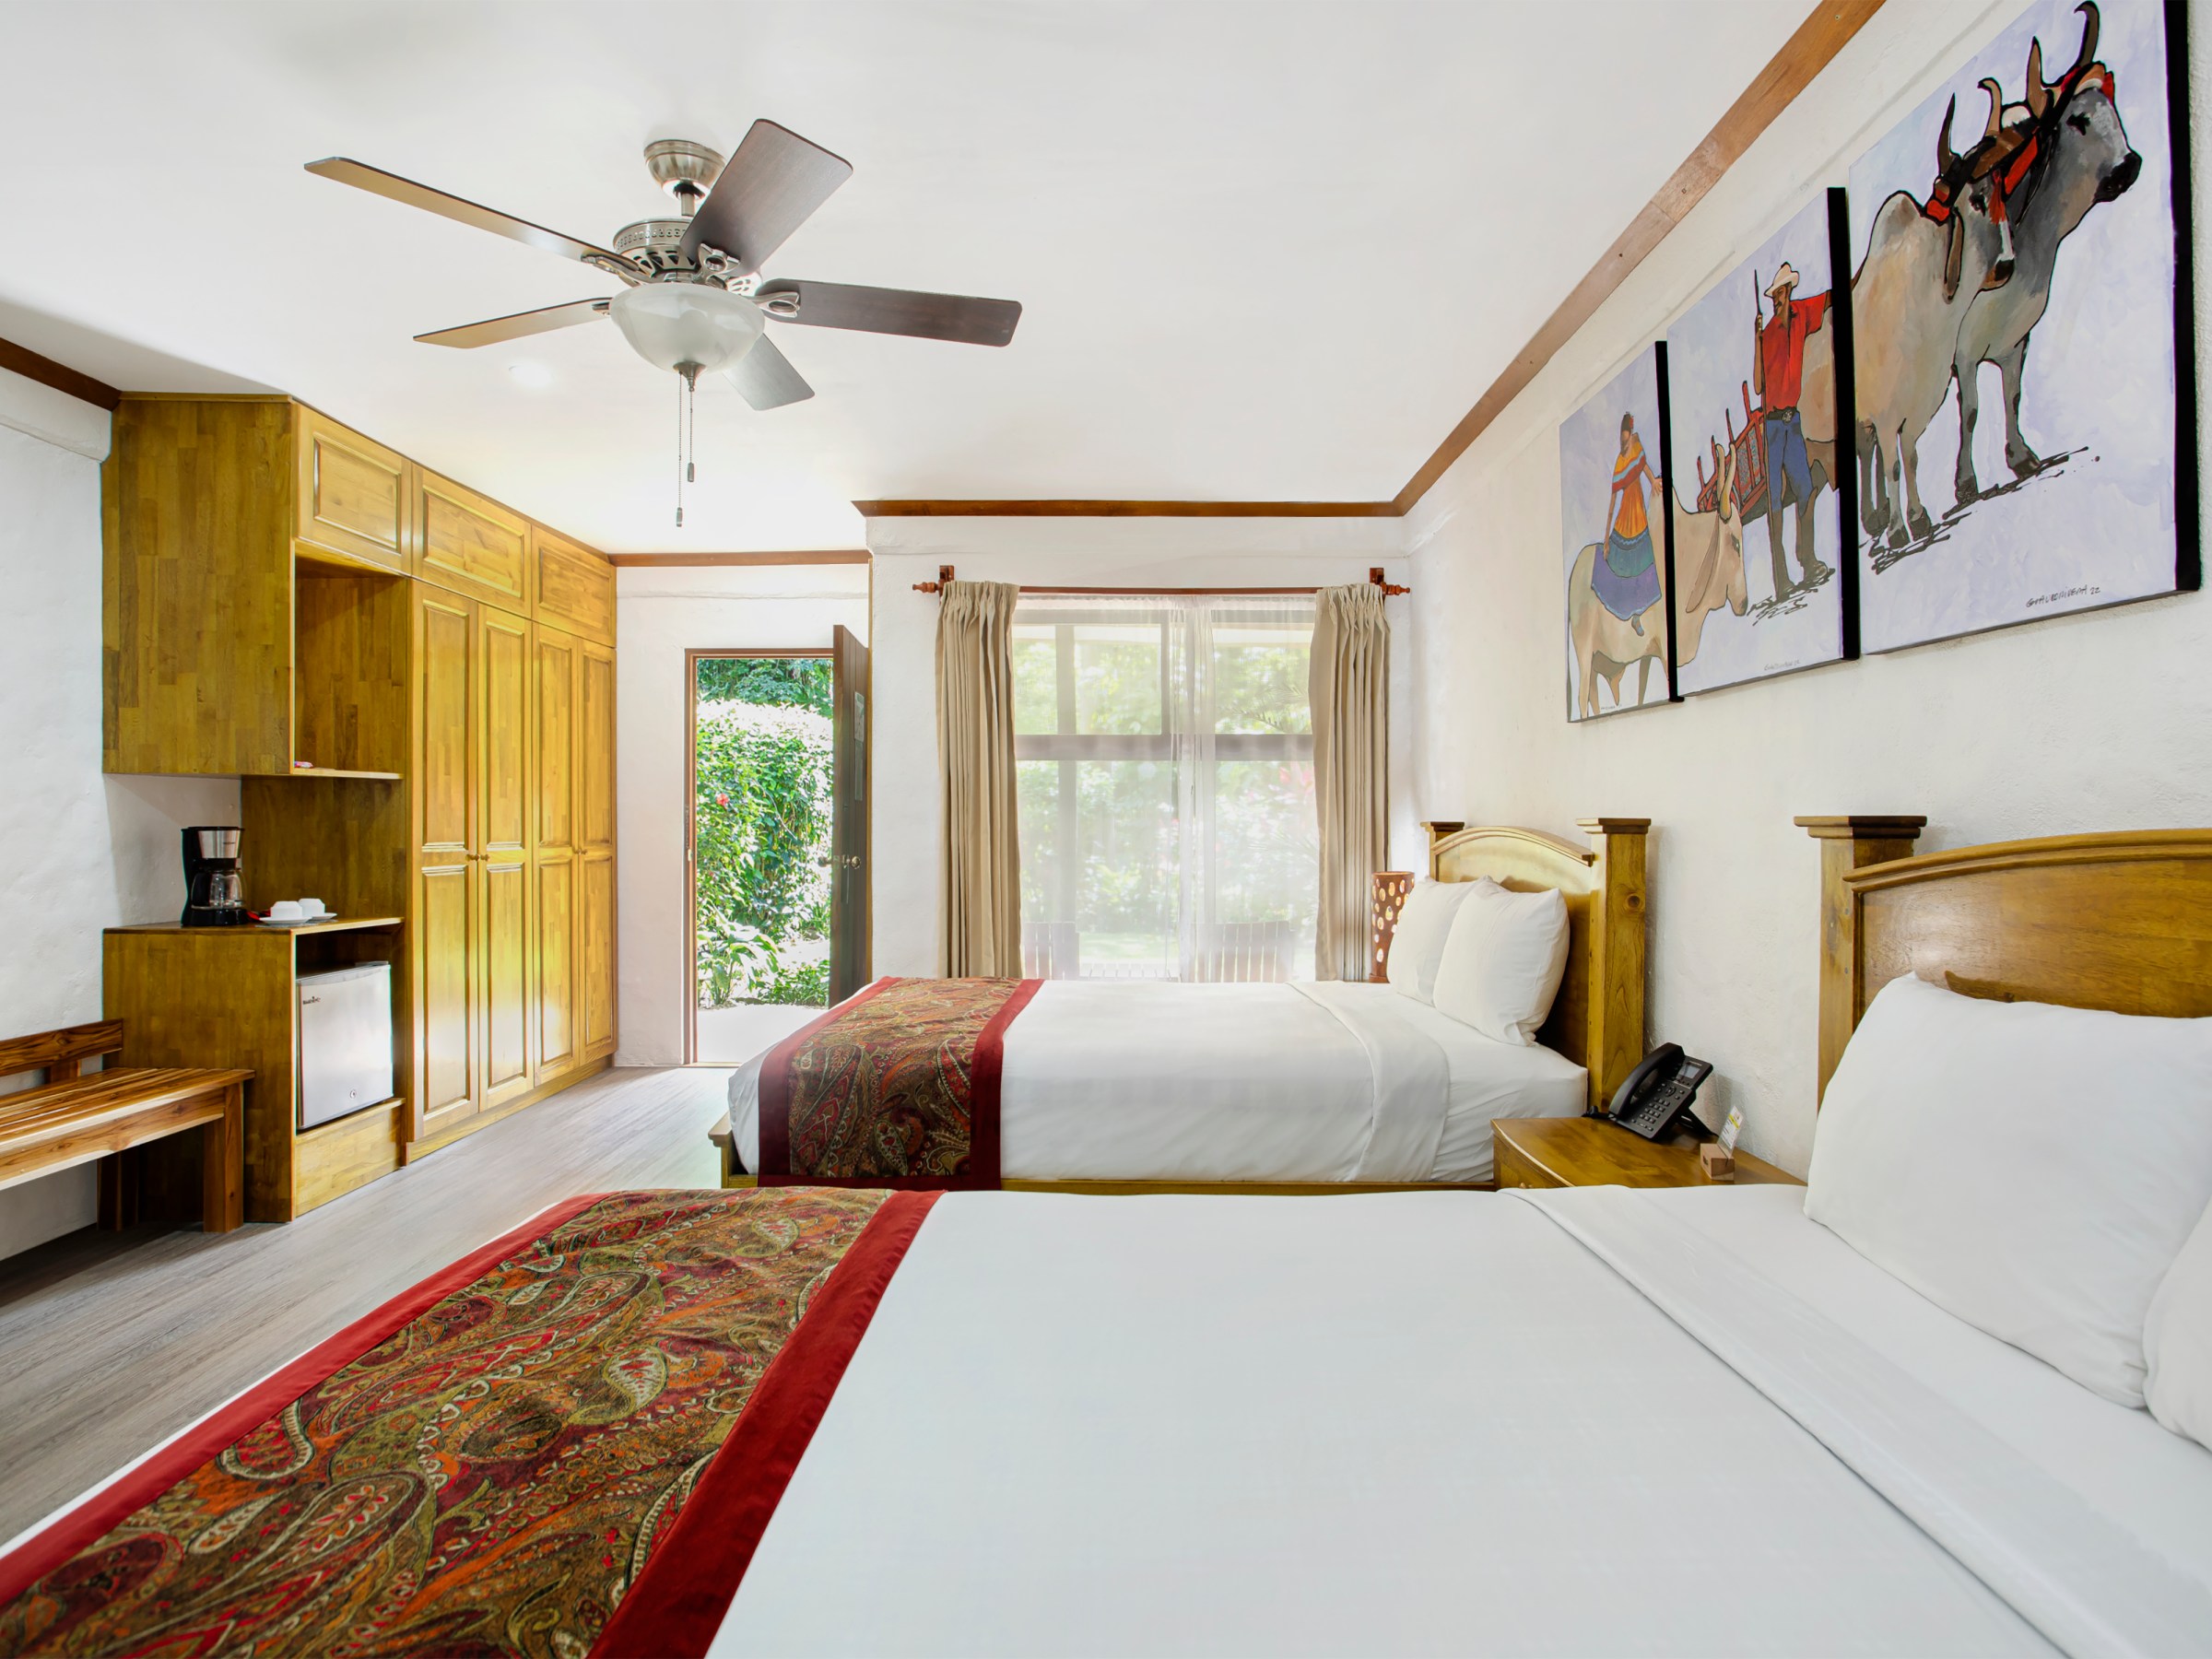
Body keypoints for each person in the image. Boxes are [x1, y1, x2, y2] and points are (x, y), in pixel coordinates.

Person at [1752, 263, 1835, 598]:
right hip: (1773, 427)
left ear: (1790, 292)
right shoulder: (1768, 332)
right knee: (1774, 506)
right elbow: (1759, 385)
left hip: (1793, 422)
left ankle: (1809, 561)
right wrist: (1755, 341)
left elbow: (1829, 299)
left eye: (1781, 293)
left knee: (1806, 490)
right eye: (1774, 295)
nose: (1777, 300)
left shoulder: (1802, 315)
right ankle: (1781, 580)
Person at [1594, 412, 1662, 635]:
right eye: (1621, 442)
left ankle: (1637, 616)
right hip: (1625, 521)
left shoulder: (1636, 446)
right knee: (1620, 568)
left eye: (1626, 440)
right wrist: (1605, 540)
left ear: (1631, 435)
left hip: (1639, 517)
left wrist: (1653, 482)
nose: (1624, 445)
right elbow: (1612, 504)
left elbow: (1643, 467)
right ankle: (1623, 614)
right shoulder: (1619, 462)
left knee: (1643, 567)